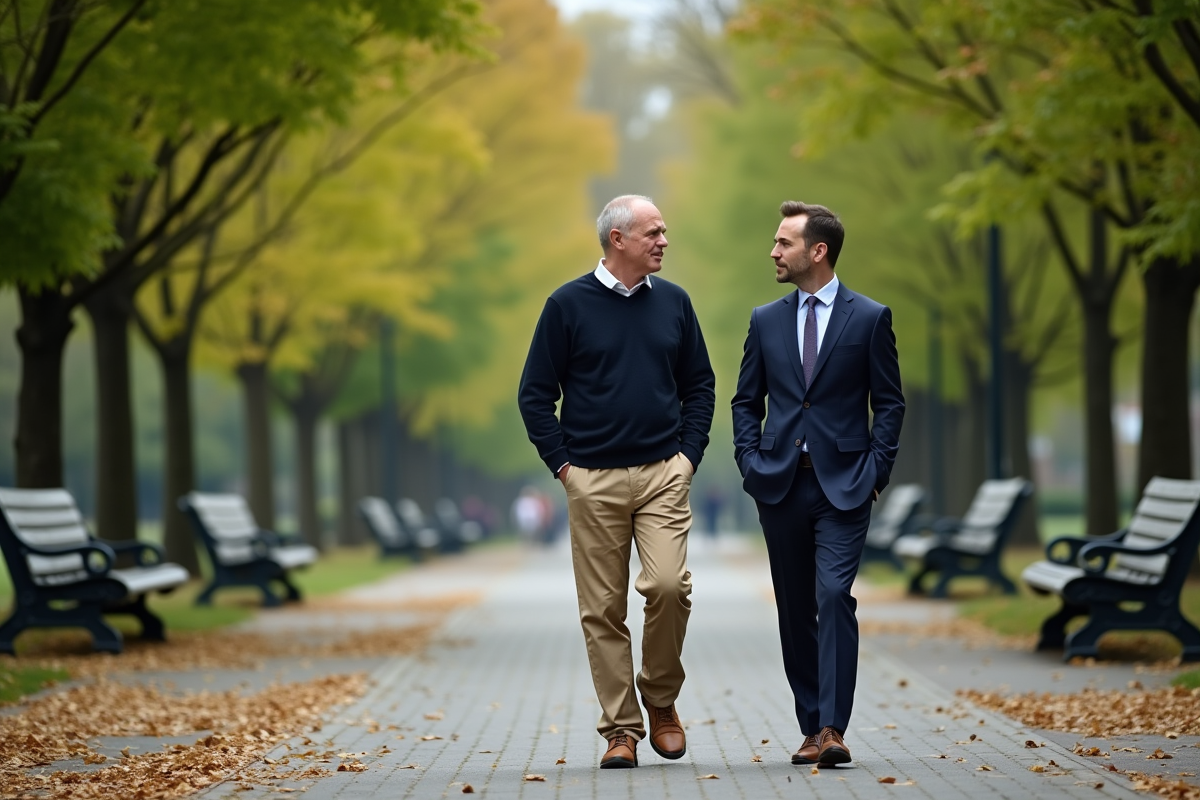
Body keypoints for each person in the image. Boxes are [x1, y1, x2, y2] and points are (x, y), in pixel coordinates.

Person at [518, 194, 716, 769]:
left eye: (664, 232)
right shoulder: (566, 305)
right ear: (618, 239)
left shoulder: (675, 303)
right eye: (653, 232)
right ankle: (621, 731)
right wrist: (564, 468)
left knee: (668, 587)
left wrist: (688, 457)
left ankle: (660, 699)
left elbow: (699, 385)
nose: (663, 241)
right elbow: (535, 394)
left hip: (662, 473)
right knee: (603, 608)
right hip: (593, 478)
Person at [731, 201, 904, 767]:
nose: (774, 252)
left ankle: (832, 728)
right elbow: (745, 401)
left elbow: (890, 403)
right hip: (779, 485)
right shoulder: (765, 319)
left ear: (817, 250)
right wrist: (750, 463)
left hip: (845, 486)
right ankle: (810, 725)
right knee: (794, 609)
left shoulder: (871, 317)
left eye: (784, 243)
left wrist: (876, 468)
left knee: (833, 596)